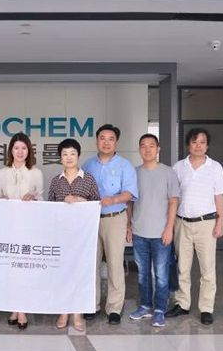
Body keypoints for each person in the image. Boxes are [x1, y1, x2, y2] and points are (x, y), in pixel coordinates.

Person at [166, 128, 223, 325]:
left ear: (207, 146)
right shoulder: (179, 167)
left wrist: (220, 222)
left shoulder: (215, 167)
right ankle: (182, 304)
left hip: (206, 223)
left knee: (207, 268)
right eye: (194, 142)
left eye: (202, 142)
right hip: (182, 222)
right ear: (188, 145)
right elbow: (173, 197)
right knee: (182, 267)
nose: (198, 146)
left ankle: (206, 308)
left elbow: (219, 197)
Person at [82, 124, 138, 325]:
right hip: (90, 220)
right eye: (102, 138)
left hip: (115, 218)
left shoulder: (125, 165)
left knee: (115, 264)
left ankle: (114, 308)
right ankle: (92, 304)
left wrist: (113, 200)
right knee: (91, 264)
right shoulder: (87, 165)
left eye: (111, 139)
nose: (106, 142)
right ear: (97, 141)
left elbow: (129, 194)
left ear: (116, 142)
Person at [126, 134, 180, 328]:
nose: (147, 149)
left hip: (160, 233)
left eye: (151, 146)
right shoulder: (134, 173)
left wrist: (169, 228)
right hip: (139, 232)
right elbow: (130, 202)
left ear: (158, 149)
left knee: (161, 274)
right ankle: (145, 306)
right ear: (139, 149)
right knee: (142, 273)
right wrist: (129, 226)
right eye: (143, 146)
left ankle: (159, 310)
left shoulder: (168, 172)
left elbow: (173, 201)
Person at [47, 138, 100, 331]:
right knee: (62, 273)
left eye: (72, 154)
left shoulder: (88, 179)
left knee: (80, 273)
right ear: (60, 157)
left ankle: (77, 313)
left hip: (82, 236)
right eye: (65, 154)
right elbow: (50, 207)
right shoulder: (56, 181)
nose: (69, 157)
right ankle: (63, 311)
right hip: (62, 235)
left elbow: (97, 203)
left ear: (78, 156)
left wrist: (78, 199)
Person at [0, 132, 43, 330]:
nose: (20, 152)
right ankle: (15, 307)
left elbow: (42, 200)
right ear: (11, 150)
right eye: (16, 148)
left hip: (28, 228)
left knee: (24, 269)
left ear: (29, 150)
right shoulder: (2, 173)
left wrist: (33, 198)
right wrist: (1, 201)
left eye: (24, 148)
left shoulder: (36, 173)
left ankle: (21, 309)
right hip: (8, 227)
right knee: (10, 269)